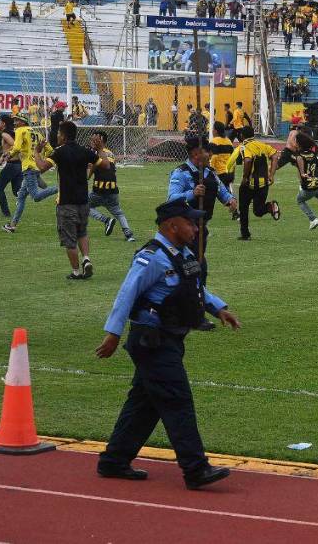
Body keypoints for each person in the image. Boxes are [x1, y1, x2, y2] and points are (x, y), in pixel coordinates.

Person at [95, 198, 241, 490]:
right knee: (177, 401)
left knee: (144, 405)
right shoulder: (152, 257)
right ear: (172, 225)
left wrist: (218, 308)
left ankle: (114, 461)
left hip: (169, 339)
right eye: (190, 222)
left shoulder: (181, 254)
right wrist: (113, 333)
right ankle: (196, 469)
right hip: (152, 342)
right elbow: (127, 293)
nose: (195, 228)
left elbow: (194, 288)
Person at [167, 136, 238, 300]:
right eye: (208, 151)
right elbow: (172, 199)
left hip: (201, 229)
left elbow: (222, 191)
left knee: (198, 268)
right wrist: (192, 194)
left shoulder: (210, 173)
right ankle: (193, 305)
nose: (211, 154)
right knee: (195, 268)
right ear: (196, 154)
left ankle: (195, 305)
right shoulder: (181, 173)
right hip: (183, 230)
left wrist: (230, 200)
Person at [33, 121, 101, 279]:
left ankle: (76, 272)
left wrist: (37, 152)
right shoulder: (85, 151)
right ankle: (86, 259)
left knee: (70, 240)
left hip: (66, 203)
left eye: (58, 134)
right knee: (82, 232)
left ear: (63, 136)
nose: (57, 136)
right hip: (84, 201)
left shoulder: (59, 152)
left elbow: (42, 167)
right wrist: (99, 150)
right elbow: (103, 164)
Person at [1, 114, 57, 234]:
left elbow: (16, 147)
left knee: (36, 196)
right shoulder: (37, 133)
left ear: (23, 122)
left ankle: (60, 188)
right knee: (21, 197)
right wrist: (43, 159)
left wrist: (9, 155)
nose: (15, 123)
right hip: (36, 166)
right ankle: (12, 225)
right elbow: (50, 150)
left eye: (17, 120)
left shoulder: (21, 130)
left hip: (29, 168)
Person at [227, 125, 280, 241]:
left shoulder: (243, 147)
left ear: (241, 136)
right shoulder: (262, 145)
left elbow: (247, 160)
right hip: (263, 183)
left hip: (249, 183)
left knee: (244, 208)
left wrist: (245, 177)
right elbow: (275, 156)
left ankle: (245, 234)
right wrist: (271, 174)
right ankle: (270, 207)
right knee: (258, 210)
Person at [87, 130, 136, 243]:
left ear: (100, 140)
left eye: (94, 139)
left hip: (99, 190)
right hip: (113, 190)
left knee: (84, 205)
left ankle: (106, 220)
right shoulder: (110, 153)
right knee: (119, 212)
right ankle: (129, 234)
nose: (91, 141)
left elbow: (89, 173)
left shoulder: (94, 153)